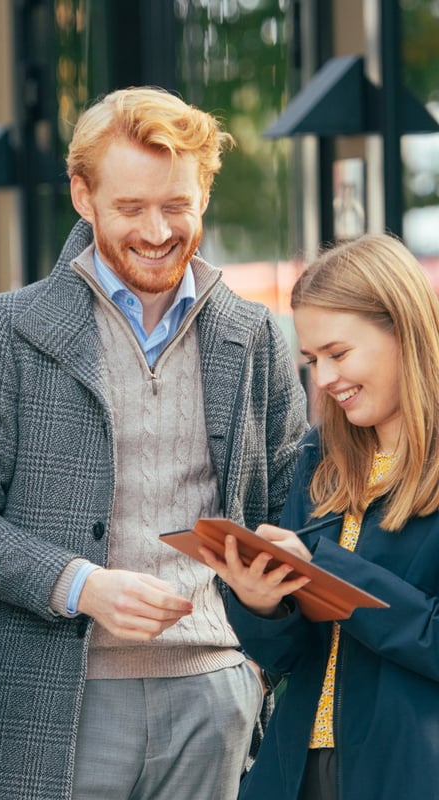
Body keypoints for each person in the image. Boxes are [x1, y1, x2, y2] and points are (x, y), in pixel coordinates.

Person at [0, 86, 308, 800]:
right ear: (82, 194)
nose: (158, 231)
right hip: (54, 700)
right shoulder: (4, 329)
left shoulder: (253, 338)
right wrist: (80, 585)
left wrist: (254, 670)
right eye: (130, 208)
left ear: (204, 195)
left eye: (176, 206)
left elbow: (292, 512)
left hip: (214, 699)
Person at [202, 233, 439, 800]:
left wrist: (328, 571)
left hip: (406, 771)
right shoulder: (320, 460)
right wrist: (264, 603)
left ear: (402, 330)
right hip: (294, 770)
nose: (325, 379)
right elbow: (290, 656)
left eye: (338, 353)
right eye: (311, 360)